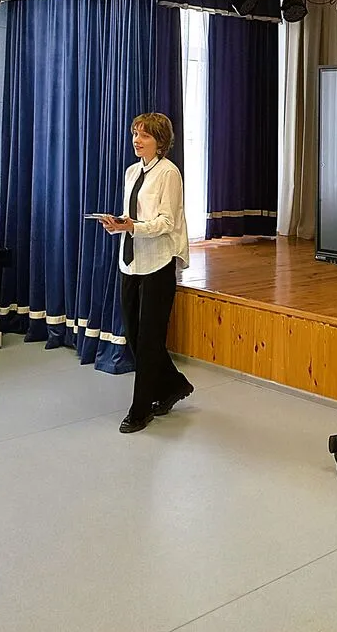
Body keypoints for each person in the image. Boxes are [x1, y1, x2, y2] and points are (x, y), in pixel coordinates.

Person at [99, 113, 193, 434]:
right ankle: (174, 385)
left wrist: (134, 227)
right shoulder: (132, 172)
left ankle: (140, 411)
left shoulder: (169, 173)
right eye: (135, 134)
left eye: (144, 135)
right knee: (135, 335)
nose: (137, 140)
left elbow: (167, 222)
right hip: (131, 260)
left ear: (160, 141)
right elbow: (133, 216)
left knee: (150, 339)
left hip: (158, 263)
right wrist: (119, 224)